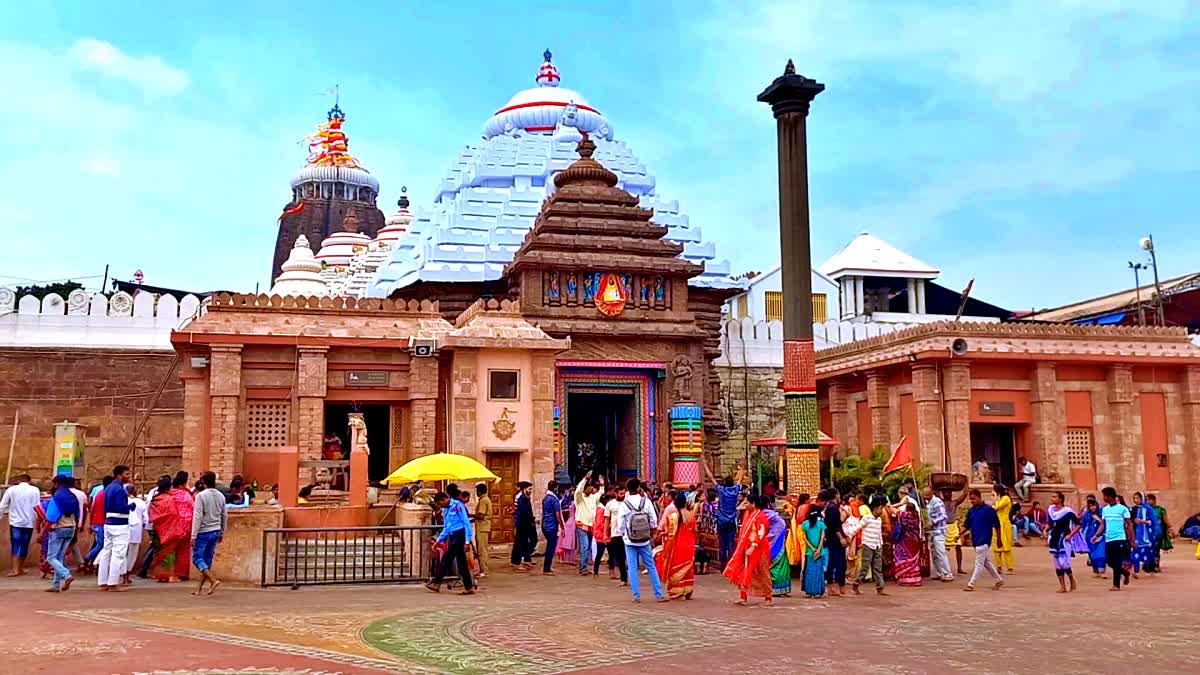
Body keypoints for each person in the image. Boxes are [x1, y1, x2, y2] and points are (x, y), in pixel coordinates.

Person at [620, 478, 664, 603]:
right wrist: (652, 531)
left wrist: (624, 533)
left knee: (632, 567)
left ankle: (636, 595)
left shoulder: (624, 504)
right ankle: (658, 593)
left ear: (628, 489)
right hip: (644, 539)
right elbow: (653, 520)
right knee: (651, 566)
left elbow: (621, 525)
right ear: (639, 488)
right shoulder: (647, 502)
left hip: (629, 540)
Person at [724, 494, 773, 606]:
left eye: (747, 503)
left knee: (762, 572)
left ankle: (768, 597)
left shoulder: (761, 517)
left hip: (759, 548)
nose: (745, 505)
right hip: (746, 548)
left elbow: (761, 533)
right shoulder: (748, 514)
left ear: (753, 504)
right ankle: (743, 597)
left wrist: (753, 546)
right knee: (744, 571)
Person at [426, 490, 475, 594]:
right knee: (461, 563)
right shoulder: (446, 510)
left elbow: (466, 523)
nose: (440, 505)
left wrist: (467, 541)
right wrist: (438, 541)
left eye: (440, 503)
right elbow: (447, 527)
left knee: (447, 558)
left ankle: (437, 582)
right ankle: (469, 586)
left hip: (459, 534)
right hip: (453, 535)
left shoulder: (457, 506)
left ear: (444, 499)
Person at [41, 475, 80, 592]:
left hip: (59, 528)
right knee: (60, 556)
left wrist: (42, 533)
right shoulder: (73, 496)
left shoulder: (56, 497)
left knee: (51, 557)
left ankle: (66, 575)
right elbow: (78, 515)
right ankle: (56, 584)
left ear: (56, 483)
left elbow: (51, 518)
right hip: (71, 527)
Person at [96, 465, 132, 591]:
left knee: (106, 552)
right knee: (118, 554)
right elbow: (121, 508)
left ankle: (102, 582)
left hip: (108, 523)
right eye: (126, 474)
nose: (128, 476)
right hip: (119, 525)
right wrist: (131, 506)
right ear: (119, 475)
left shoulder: (108, 488)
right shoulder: (119, 490)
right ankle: (112, 583)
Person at [190, 471, 227, 595]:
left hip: (204, 531)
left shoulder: (201, 496)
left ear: (203, 482)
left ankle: (212, 580)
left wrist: (193, 535)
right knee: (207, 560)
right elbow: (224, 515)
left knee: (197, 558)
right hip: (215, 530)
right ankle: (199, 588)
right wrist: (222, 531)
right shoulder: (221, 495)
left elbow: (197, 516)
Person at [655, 492, 696, 599]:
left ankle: (677, 591)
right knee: (688, 568)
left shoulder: (674, 516)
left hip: (677, 546)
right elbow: (695, 531)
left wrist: (662, 534)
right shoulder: (691, 515)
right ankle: (688, 589)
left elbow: (671, 533)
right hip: (689, 545)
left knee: (675, 568)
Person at [962, 488, 1004, 591]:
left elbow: (997, 526)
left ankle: (971, 584)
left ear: (979, 497)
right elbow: (966, 525)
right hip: (976, 540)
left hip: (984, 540)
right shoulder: (971, 511)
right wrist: (959, 534)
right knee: (986, 562)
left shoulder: (989, 510)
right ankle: (998, 579)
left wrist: (999, 539)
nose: (972, 501)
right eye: (970, 499)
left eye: (973, 499)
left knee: (979, 563)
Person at [705, 463, 745, 570]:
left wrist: (705, 465)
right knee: (731, 544)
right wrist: (742, 468)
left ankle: (723, 566)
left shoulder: (721, 490)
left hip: (721, 521)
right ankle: (731, 565)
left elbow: (711, 477)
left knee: (722, 544)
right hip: (732, 520)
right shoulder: (735, 491)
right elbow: (740, 479)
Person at [148, 475, 189, 582]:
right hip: (169, 531)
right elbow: (173, 514)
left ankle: (159, 575)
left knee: (159, 553)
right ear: (167, 488)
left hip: (157, 529)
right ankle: (170, 576)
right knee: (170, 553)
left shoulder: (155, 499)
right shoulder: (169, 499)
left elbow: (153, 515)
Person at [1092, 486, 1133, 590]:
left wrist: (1132, 539)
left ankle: (1116, 585)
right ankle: (1125, 573)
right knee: (1109, 561)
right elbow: (1103, 524)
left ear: (1110, 496)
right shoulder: (1105, 510)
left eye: (1104, 495)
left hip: (1119, 538)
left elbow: (1129, 524)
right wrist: (1096, 535)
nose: (1103, 498)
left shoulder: (1123, 509)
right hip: (1108, 538)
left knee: (1117, 561)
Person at [0, 473, 40, 577]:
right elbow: (37, 506)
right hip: (29, 522)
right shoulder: (35, 490)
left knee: (16, 545)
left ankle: (15, 569)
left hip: (15, 522)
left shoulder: (11, 489)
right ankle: (20, 568)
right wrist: (38, 520)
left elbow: (2, 505)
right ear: (29, 481)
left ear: (19, 480)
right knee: (24, 545)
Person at [1044, 491, 1082, 593]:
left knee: (1063, 563)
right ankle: (1062, 586)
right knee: (1057, 563)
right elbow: (1050, 523)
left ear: (1060, 499)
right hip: (1054, 537)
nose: (1052, 498)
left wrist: (1071, 535)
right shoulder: (1051, 511)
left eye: (1055, 497)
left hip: (1064, 538)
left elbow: (1078, 524)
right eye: (1052, 496)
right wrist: (1045, 530)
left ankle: (1071, 579)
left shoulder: (1068, 512)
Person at [848, 495, 887, 595]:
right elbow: (856, 528)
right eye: (881, 508)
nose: (882, 511)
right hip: (868, 545)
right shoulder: (867, 518)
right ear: (875, 508)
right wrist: (849, 536)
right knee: (865, 567)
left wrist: (880, 544)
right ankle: (856, 584)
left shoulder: (879, 520)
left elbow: (879, 534)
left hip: (877, 545)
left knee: (878, 568)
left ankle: (880, 587)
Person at [821, 488, 848, 596]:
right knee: (839, 563)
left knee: (833, 562)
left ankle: (832, 588)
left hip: (831, 538)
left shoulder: (829, 507)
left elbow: (836, 523)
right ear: (836, 495)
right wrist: (841, 538)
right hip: (835, 539)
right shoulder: (833, 508)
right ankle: (840, 588)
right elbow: (835, 526)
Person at [83, 476, 113, 571]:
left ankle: (92, 561)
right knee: (101, 544)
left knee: (100, 543)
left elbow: (93, 509)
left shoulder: (99, 493)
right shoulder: (107, 495)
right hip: (102, 523)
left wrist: (91, 523)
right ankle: (89, 559)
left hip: (97, 522)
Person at [925, 487, 954, 582]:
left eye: (927, 495)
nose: (926, 497)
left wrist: (933, 522)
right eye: (924, 495)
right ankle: (939, 572)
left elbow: (943, 516)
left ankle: (948, 573)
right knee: (934, 553)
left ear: (931, 493)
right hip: (932, 532)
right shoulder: (928, 503)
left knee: (940, 552)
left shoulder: (936, 502)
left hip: (939, 531)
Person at [603, 483, 629, 585]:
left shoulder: (627, 503)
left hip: (627, 533)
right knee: (620, 557)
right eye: (621, 494)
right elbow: (606, 520)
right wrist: (605, 534)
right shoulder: (610, 504)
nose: (623, 495)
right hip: (615, 534)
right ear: (616, 493)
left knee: (627, 556)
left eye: (624, 493)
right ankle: (624, 579)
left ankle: (627, 576)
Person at [763, 500, 791, 597]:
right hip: (773, 541)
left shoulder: (768, 514)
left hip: (777, 539)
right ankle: (775, 589)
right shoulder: (766, 514)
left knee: (783, 566)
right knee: (777, 566)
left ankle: (782, 589)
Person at [800, 503, 827, 598]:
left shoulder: (805, 524)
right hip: (820, 552)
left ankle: (810, 591)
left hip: (809, 552)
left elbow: (805, 538)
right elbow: (822, 537)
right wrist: (818, 550)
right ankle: (818, 591)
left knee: (809, 571)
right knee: (819, 572)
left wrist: (812, 548)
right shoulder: (821, 524)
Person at [893, 502, 923, 586]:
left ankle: (905, 579)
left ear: (906, 508)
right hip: (915, 540)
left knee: (904, 557)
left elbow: (890, 507)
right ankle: (915, 579)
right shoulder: (916, 516)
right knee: (913, 560)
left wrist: (901, 503)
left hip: (905, 540)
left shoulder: (903, 514)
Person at [123, 482, 147, 585]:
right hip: (136, 529)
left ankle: (122, 574)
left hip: (123, 528)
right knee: (132, 553)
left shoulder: (123, 500)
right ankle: (127, 574)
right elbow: (146, 518)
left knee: (122, 552)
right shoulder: (141, 502)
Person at [1129, 491, 1158, 578]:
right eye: (1134, 498)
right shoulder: (1133, 509)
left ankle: (1151, 569)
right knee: (1135, 551)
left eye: (1137, 498)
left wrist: (1143, 521)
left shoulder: (1148, 509)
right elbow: (1130, 521)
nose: (1135, 500)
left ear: (1142, 499)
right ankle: (1136, 570)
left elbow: (1152, 522)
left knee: (1149, 552)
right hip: (1136, 534)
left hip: (1147, 534)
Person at [510, 481, 535, 571]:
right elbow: (525, 512)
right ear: (524, 489)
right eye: (529, 489)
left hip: (522, 523)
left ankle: (525, 559)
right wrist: (530, 521)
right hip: (523, 523)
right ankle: (517, 562)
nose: (531, 491)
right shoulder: (522, 498)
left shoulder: (523, 497)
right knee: (520, 542)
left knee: (522, 542)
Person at [1080, 496, 1107, 577]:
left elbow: (1104, 524)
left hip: (1100, 536)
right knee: (1092, 555)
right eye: (1090, 506)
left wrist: (1097, 519)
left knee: (1101, 554)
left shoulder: (1101, 513)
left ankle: (1102, 571)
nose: (1092, 508)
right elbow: (1083, 525)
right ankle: (1096, 571)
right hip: (1089, 537)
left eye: (1093, 505)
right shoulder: (1087, 515)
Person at [991, 484, 1015, 573]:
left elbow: (996, 507)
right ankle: (999, 566)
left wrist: (995, 499)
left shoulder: (1005, 498)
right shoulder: (999, 498)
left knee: (1005, 546)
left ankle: (1010, 567)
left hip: (1004, 523)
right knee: (996, 546)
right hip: (996, 523)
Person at [541, 481, 562, 575]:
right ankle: (546, 568)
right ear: (555, 488)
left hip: (545, 525)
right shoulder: (554, 499)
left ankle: (547, 567)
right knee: (551, 547)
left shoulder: (545, 498)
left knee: (550, 546)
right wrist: (561, 525)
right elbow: (558, 515)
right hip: (552, 526)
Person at [1147, 493, 1172, 572]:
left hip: (1158, 532)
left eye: (1148, 499)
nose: (1147, 501)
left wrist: (1171, 528)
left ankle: (1156, 565)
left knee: (1156, 549)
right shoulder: (1144, 509)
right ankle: (1148, 565)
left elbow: (1166, 520)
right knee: (1148, 549)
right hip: (1148, 533)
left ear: (1153, 500)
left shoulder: (1160, 509)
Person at [473, 483, 492, 579]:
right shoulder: (485, 499)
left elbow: (481, 515)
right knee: (482, 549)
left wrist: (471, 515)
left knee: (482, 550)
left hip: (482, 527)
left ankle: (484, 570)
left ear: (479, 491)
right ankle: (482, 570)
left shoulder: (483, 501)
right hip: (483, 527)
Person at [556, 486, 578, 566]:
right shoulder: (574, 504)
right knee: (570, 541)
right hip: (572, 522)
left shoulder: (563, 502)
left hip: (565, 522)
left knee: (563, 540)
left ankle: (562, 558)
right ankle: (570, 559)